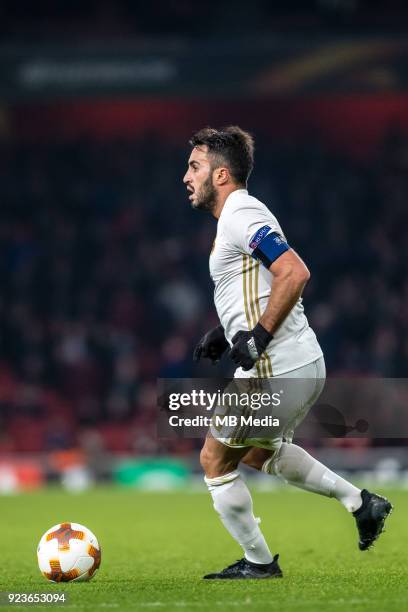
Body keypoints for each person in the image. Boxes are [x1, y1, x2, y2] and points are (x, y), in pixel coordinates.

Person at [183, 126, 393, 580]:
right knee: (257, 454)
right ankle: (361, 503)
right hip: (299, 361)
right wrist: (227, 331)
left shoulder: (240, 214)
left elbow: (294, 272)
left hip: (277, 366)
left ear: (221, 175)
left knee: (214, 459)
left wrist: (256, 335)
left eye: (195, 167)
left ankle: (260, 564)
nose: (187, 177)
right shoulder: (239, 218)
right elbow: (260, 286)